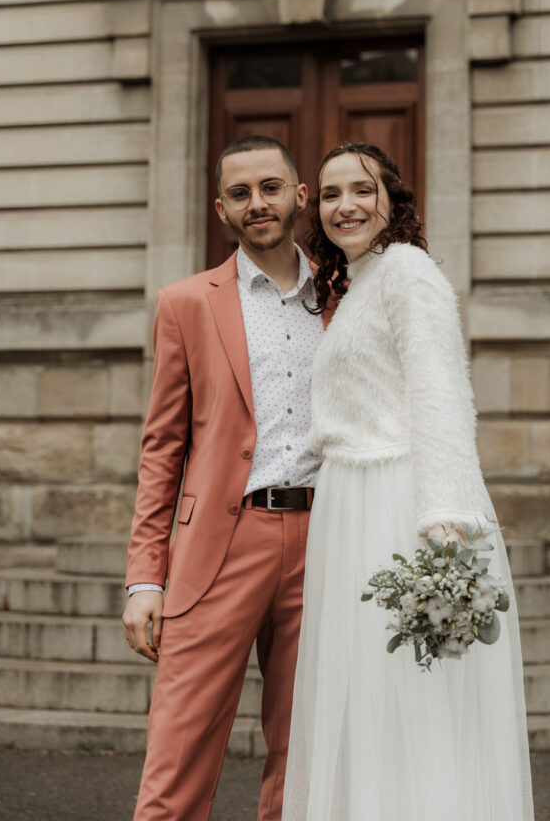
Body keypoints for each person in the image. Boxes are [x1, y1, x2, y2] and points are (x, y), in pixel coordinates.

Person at [282, 143, 534, 821]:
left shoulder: (406, 271)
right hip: (347, 507)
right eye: (331, 195)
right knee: (363, 701)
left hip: (396, 506)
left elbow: (440, 393)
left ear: (391, 198)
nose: (345, 206)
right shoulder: (355, 284)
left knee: (411, 702)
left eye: (361, 189)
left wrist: (444, 522)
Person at [123, 135, 326, 821]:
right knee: (178, 755)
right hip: (220, 540)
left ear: (299, 196)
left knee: (306, 757)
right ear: (221, 209)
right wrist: (145, 576)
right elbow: (162, 449)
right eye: (240, 193)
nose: (256, 203)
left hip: (327, 541)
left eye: (269, 187)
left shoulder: (345, 296)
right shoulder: (185, 303)